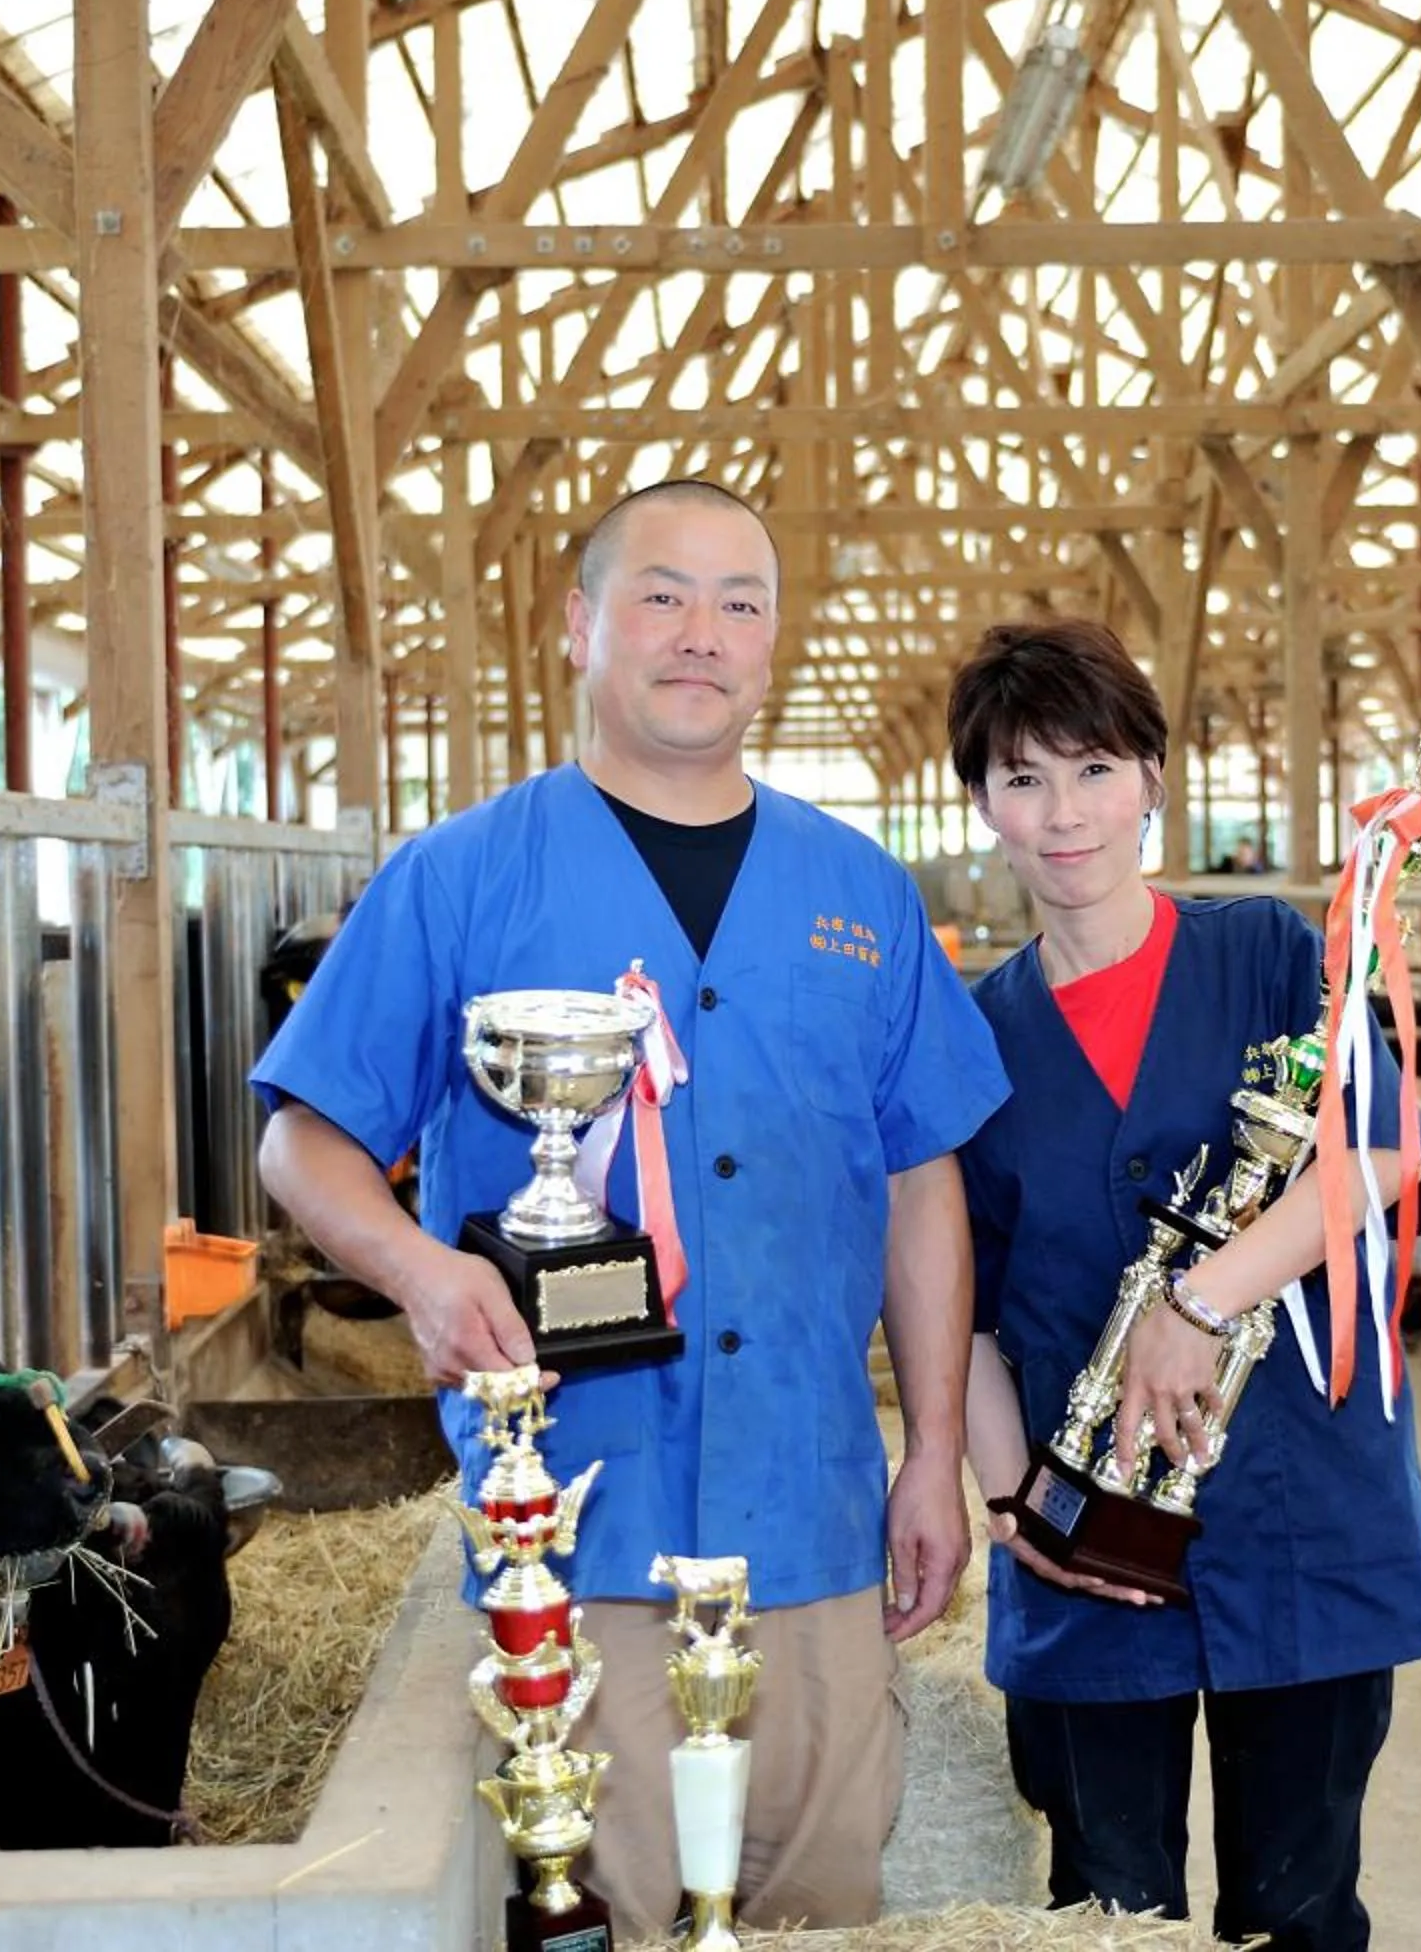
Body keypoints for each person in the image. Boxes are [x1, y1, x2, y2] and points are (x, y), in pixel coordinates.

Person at [253, 479, 1008, 1942]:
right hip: (577, 1526)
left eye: (739, 603)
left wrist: (931, 1459)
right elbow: (304, 1141)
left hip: (813, 1517)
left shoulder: (860, 891)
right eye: (662, 595)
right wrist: (415, 1270)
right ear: (582, 625)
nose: (700, 635)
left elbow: (922, 1182)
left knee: (821, 1891)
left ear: (773, 643)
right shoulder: (463, 877)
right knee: (605, 1904)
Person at [947, 620, 1421, 1950]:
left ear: (1153, 783)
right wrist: (1012, 1499)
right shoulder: (970, 1042)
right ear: (982, 805)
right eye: (1023, 780)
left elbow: (1385, 1149)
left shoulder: (1269, 957)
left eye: (1095, 769)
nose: (1064, 815)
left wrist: (1199, 1303)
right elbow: (963, 1310)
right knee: (1110, 1910)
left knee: (1298, 1908)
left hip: (1298, 1504)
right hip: (1089, 1532)